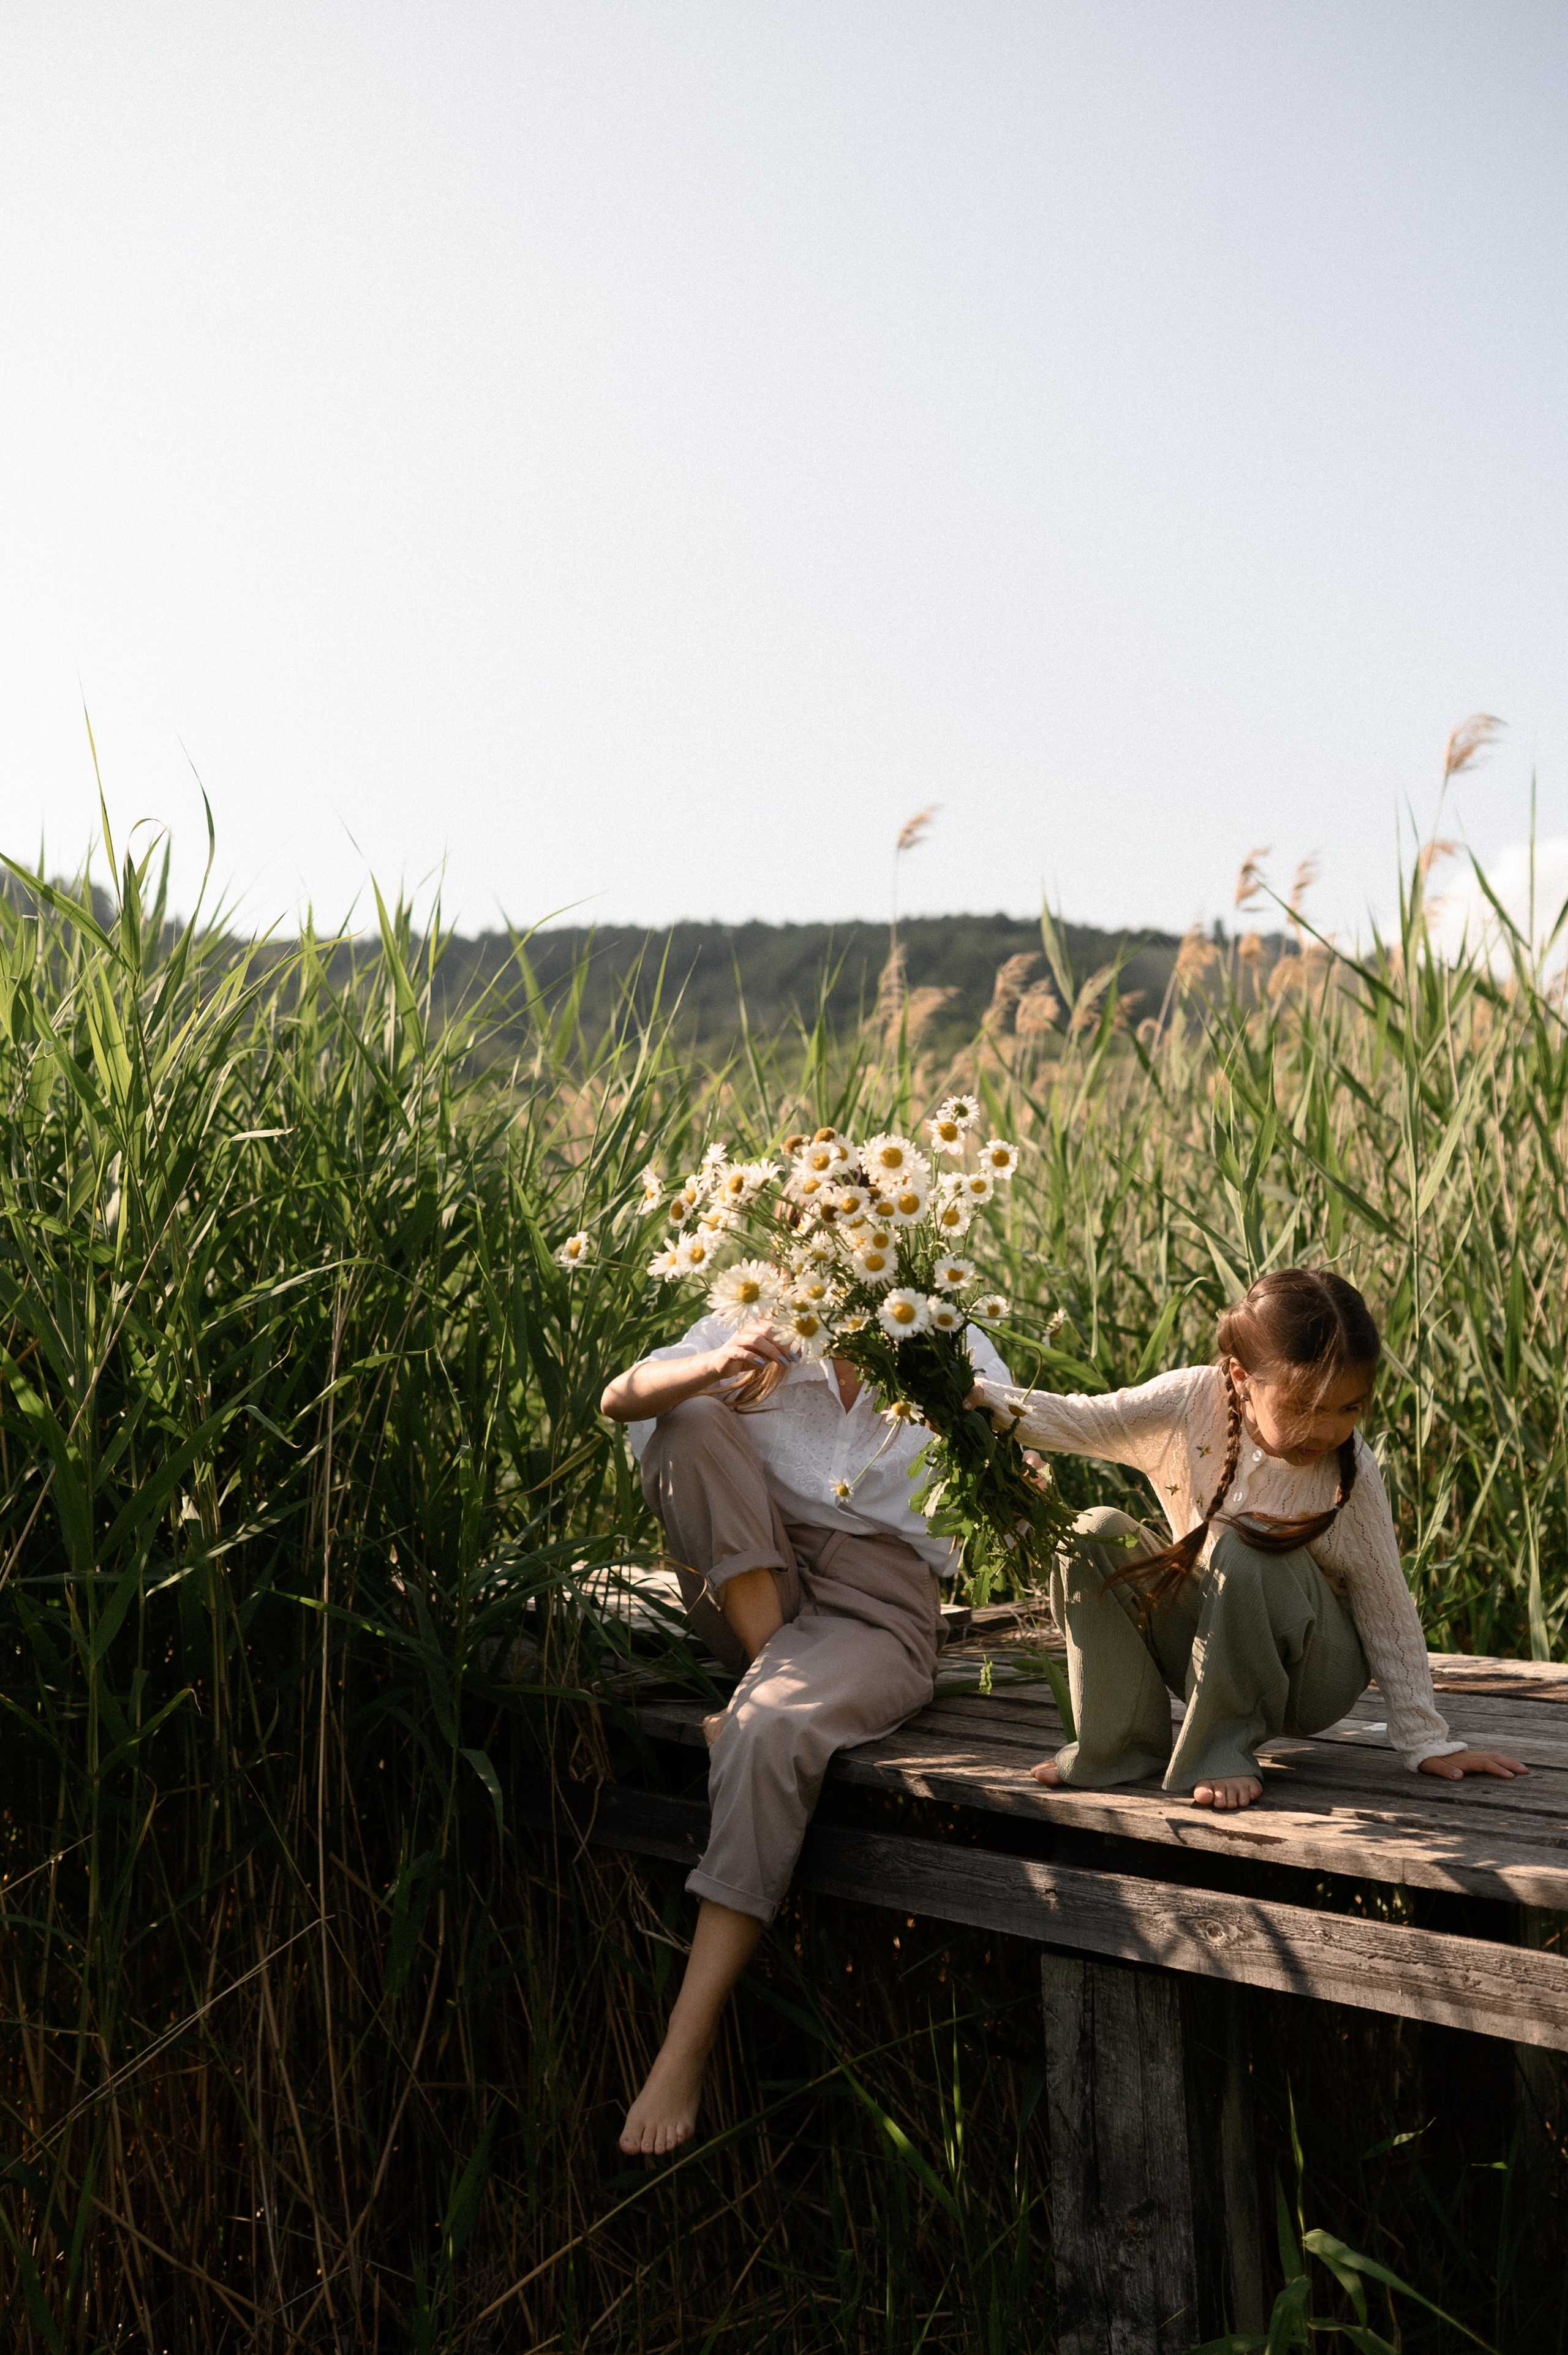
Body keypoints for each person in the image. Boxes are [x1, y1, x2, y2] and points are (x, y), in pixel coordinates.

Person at [601, 1309, 1014, 2157]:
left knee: (765, 1734)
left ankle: (685, 2043)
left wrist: (988, 1437)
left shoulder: (943, 1339)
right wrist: (716, 1361)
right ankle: (765, 1674)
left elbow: (1016, 1472)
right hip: (756, 1581)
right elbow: (621, 1398)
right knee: (686, 1418)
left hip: (875, 1611)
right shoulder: (755, 1320)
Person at [965, 1267, 1526, 1812]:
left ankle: (1220, 1749)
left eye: (1349, 1407)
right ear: (1241, 1378)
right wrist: (973, 1396)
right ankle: (1119, 1748)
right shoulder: (1190, 1402)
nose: (1328, 1428)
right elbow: (1081, 1420)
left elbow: (1384, 1600)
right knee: (1088, 1534)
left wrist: (1426, 1740)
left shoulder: (1349, 1468)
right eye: (1304, 1406)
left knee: (1244, 1540)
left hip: (1311, 1675)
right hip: (1213, 1644)